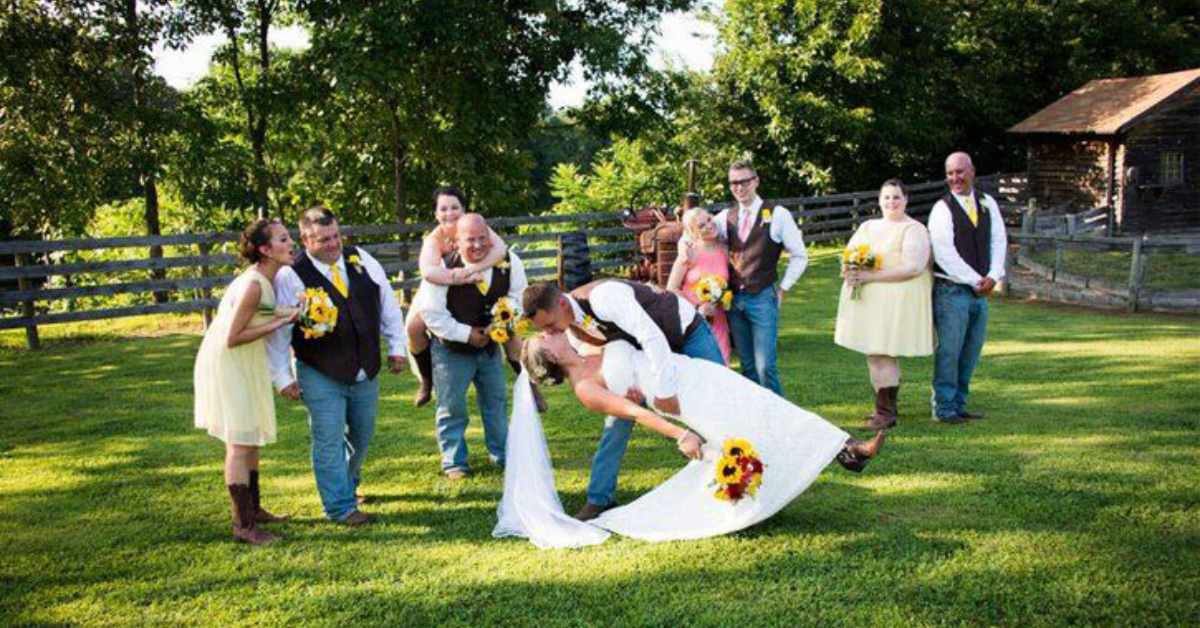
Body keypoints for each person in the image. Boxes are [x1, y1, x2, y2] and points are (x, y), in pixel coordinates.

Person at [505, 333, 884, 543]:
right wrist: (680, 433)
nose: (552, 334)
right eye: (546, 339)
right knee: (752, 426)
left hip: (693, 373)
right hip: (685, 401)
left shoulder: (588, 344)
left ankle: (844, 449)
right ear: (550, 359)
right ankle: (839, 452)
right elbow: (635, 412)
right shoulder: (586, 387)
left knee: (766, 404)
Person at [522, 279, 726, 521]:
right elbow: (596, 358)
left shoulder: (604, 297)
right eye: (545, 330)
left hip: (684, 332)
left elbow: (651, 337)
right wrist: (625, 386)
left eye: (551, 325)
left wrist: (664, 391)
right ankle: (599, 499)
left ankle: (732, 468)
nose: (551, 332)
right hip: (642, 360)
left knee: (718, 400)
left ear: (562, 303)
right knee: (616, 425)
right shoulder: (569, 330)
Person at [267, 206, 407, 525]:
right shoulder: (291, 274)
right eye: (323, 239)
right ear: (305, 239)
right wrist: (282, 376)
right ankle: (340, 507)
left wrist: (397, 347)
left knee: (362, 435)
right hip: (320, 370)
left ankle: (349, 485)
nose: (333, 244)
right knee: (328, 438)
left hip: (365, 367)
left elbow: (387, 304)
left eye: (336, 236)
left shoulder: (361, 260)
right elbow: (279, 330)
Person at [194, 219, 298, 545]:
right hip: (230, 362)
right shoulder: (253, 284)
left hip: (245, 361)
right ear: (265, 250)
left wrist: (286, 313)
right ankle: (243, 525)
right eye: (283, 239)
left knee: (250, 436)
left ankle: (254, 509)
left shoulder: (266, 280)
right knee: (239, 443)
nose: (291, 243)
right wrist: (280, 321)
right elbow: (233, 336)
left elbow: (261, 314)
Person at [421, 213, 527, 480]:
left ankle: (502, 454)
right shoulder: (443, 266)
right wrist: (466, 334)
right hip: (451, 350)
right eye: (471, 240)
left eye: (483, 238)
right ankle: (454, 461)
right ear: (456, 241)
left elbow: (518, 297)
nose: (478, 245)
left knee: (496, 401)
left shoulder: (510, 263)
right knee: (452, 404)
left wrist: (499, 325)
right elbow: (431, 314)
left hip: (491, 346)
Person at [834, 179, 934, 430]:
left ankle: (886, 413)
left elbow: (913, 266)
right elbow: (849, 253)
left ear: (906, 199)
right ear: (879, 200)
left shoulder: (914, 229)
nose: (891, 202)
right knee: (874, 353)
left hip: (896, 304)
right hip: (870, 303)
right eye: (886, 197)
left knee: (883, 352)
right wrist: (850, 270)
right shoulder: (868, 226)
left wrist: (870, 276)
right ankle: (884, 408)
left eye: (896, 197)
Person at [405, 187, 516, 407]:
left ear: (464, 210)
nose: (449, 213)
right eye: (443, 209)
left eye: (455, 207)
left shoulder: (476, 227)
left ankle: (528, 382)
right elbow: (428, 272)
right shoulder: (433, 239)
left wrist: (474, 268)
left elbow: (500, 250)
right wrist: (458, 277)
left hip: (472, 276)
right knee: (413, 327)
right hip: (438, 285)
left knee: (510, 327)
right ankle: (426, 381)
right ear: (436, 214)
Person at [712, 159, 808, 395]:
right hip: (733, 300)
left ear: (756, 181)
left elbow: (800, 255)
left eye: (744, 181)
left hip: (762, 297)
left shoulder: (777, 214)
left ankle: (781, 420)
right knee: (748, 367)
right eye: (733, 183)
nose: (739, 187)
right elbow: (697, 233)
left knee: (766, 367)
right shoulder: (725, 216)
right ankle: (756, 419)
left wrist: (784, 287)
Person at [928, 152, 1007, 424]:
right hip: (952, 291)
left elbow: (999, 241)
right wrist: (977, 280)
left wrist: (994, 275)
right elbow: (944, 253)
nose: (955, 178)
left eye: (960, 172)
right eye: (950, 173)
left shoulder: (987, 203)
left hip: (980, 292)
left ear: (972, 171)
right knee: (950, 350)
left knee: (971, 350)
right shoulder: (942, 208)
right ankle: (944, 407)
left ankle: (960, 403)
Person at [667, 208, 732, 364]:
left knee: (724, 368)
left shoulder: (725, 250)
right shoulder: (689, 252)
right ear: (694, 233)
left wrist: (724, 298)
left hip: (718, 320)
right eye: (701, 226)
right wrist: (696, 308)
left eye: (709, 219)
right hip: (693, 321)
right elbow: (671, 288)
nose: (709, 226)